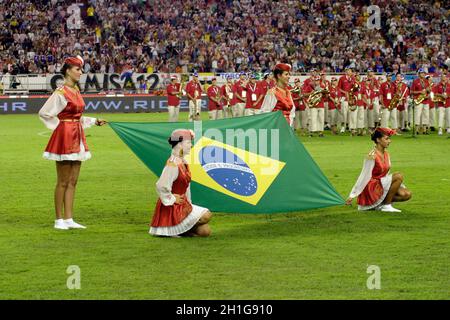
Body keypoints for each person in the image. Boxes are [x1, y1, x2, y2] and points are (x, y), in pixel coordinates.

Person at [38, 56, 107, 230]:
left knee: (73, 180)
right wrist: (60, 128)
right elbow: (45, 113)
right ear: (68, 70)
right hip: (66, 137)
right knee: (62, 180)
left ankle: (69, 218)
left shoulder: (75, 90)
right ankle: (58, 219)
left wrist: (93, 121)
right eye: (77, 69)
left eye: (81, 69)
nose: (80, 72)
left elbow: (76, 117)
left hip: (78, 136)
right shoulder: (60, 92)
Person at [149, 129, 212, 237]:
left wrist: (189, 204)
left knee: (205, 231)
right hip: (173, 208)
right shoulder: (173, 164)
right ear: (179, 144)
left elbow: (185, 187)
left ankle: (179, 230)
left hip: (182, 206)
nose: (191, 145)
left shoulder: (182, 162)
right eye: (188, 142)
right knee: (206, 215)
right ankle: (173, 229)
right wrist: (172, 198)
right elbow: (161, 185)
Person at [346, 127, 412, 212]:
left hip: (381, 184)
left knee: (406, 194)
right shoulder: (372, 155)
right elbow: (364, 176)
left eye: (389, 139)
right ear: (378, 140)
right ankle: (386, 205)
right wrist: (352, 195)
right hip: (372, 187)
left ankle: (380, 204)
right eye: (387, 139)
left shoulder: (386, 154)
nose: (389, 141)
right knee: (399, 176)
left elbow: (386, 173)